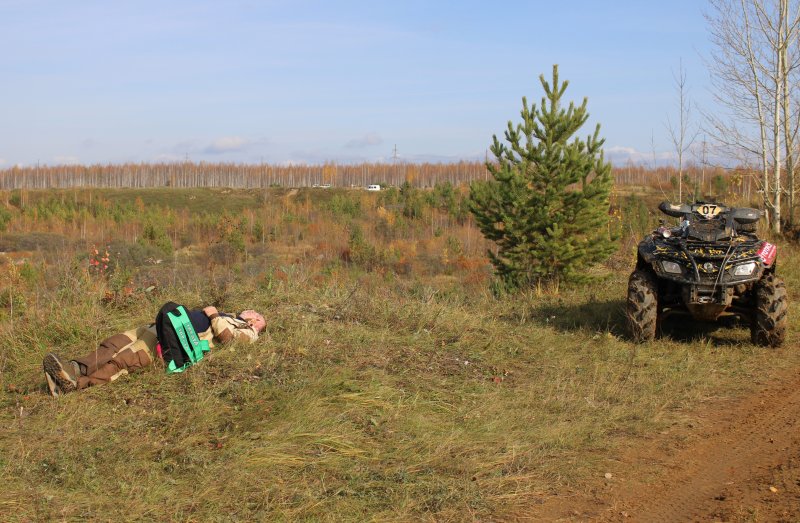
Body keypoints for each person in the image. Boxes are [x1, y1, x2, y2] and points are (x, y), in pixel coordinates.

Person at [43, 303, 267, 397]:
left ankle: (76, 385)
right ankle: (74, 368)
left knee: (126, 359)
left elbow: (228, 341)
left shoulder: (249, 333)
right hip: (158, 328)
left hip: (178, 340)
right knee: (113, 343)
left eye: (257, 316)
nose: (252, 311)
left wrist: (213, 314)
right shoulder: (229, 315)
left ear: (255, 324)